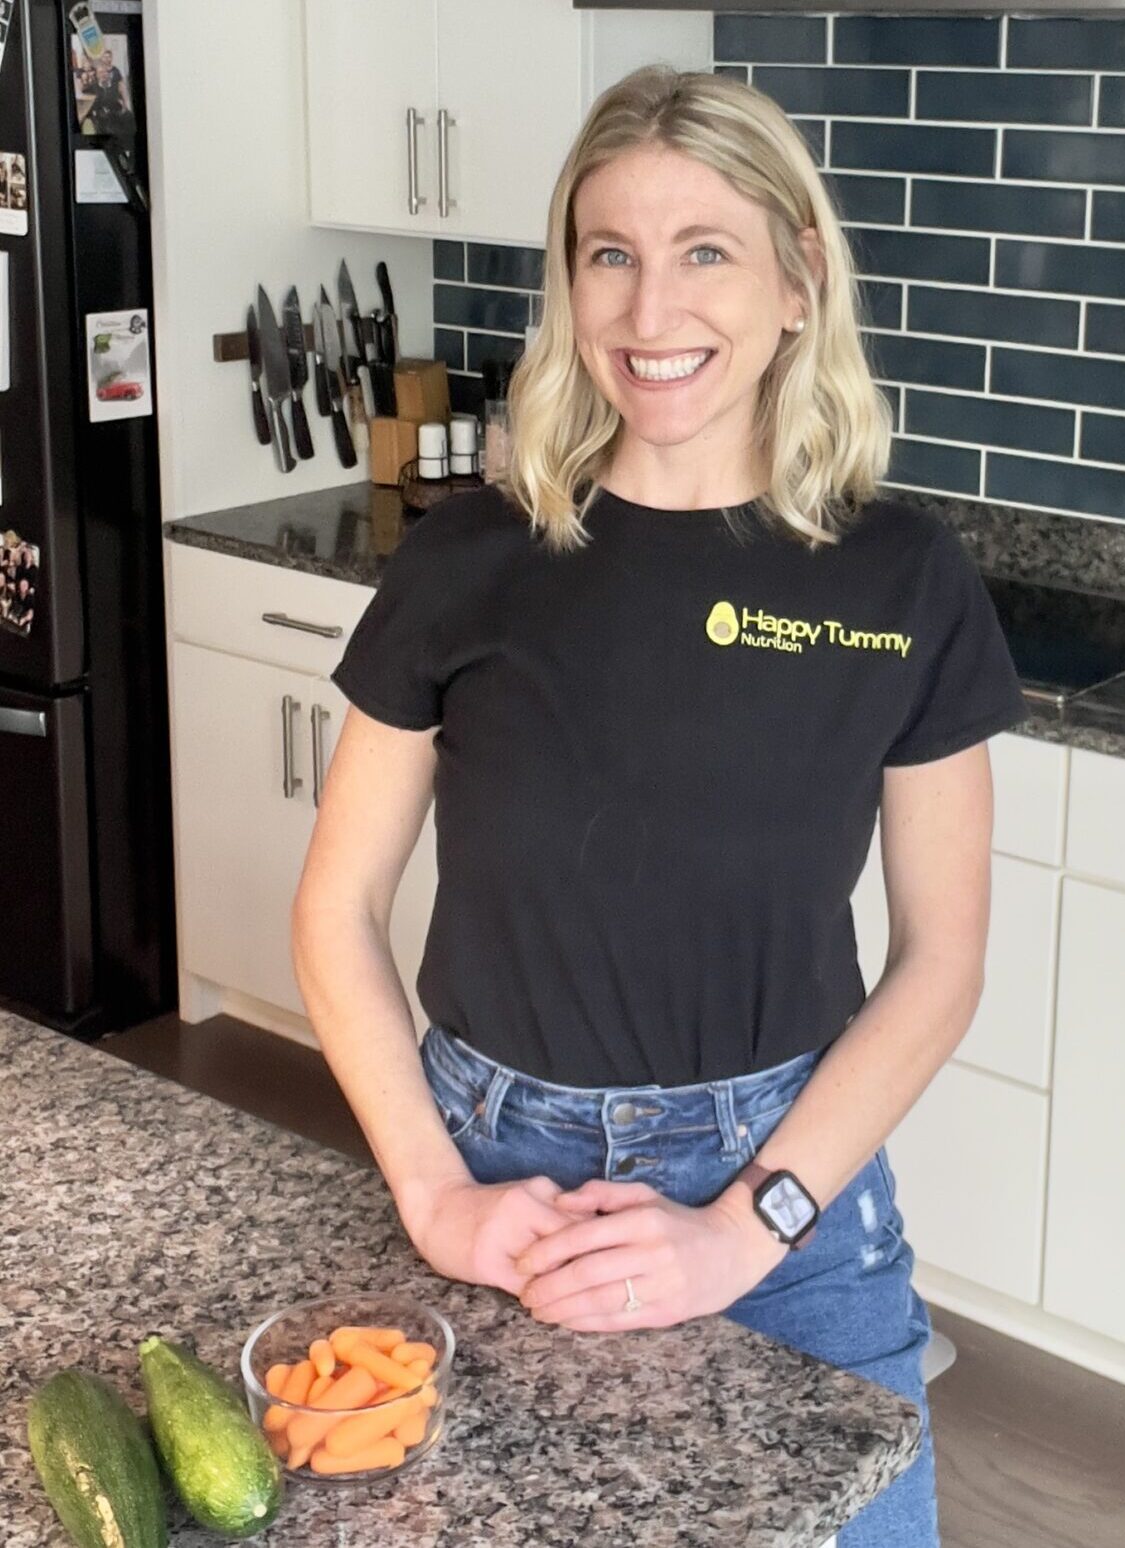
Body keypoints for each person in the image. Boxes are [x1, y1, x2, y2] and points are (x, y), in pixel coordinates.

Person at [293, 65, 1028, 1547]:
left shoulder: (900, 577)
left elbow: (940, 963)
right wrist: (438, 1202)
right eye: (608, 254)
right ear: (568, 285)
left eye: (704, 250)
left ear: (794, 282)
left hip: (786, 1175)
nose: (648, 309)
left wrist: (742, 1223)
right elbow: (336, 909)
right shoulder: (470, 558)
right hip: (493, 1163)